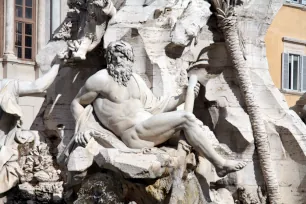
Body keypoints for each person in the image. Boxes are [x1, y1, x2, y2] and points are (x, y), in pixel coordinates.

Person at [70, 40, 247, 179]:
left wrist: (183, 96)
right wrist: (83, 128)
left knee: (197, 127)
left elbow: (155, 107)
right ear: (109, 58)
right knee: (186, 118)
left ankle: (215, 161)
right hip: (134, 134)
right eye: (114, 55)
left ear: (131, 60)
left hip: (149, 127)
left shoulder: (135, 80)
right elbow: (76, 103)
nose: (119, 59)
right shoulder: (101, 79)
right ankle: (220, 164)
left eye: (124, 56)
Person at [0, 59, 62, 194]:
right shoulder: (6, 86)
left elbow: (38, 87)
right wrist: (58, 63)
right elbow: (38, 86)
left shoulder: (6, 86)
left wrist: (58, 64)